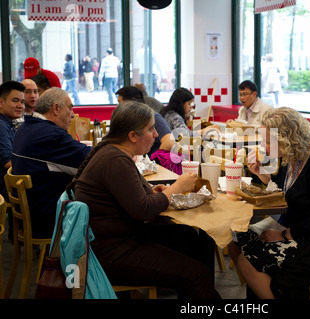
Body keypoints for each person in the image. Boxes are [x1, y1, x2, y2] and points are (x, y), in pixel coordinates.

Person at [66, 100, 221, 299]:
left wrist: (153, 193)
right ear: (132, 136)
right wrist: (175, 188)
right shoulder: (115, 160)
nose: (156, 135)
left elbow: (134, 199)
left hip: (117, 239)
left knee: (190, 238)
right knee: (196, 275)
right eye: (151, 129)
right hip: (110, 253)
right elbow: (144, 210)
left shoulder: (114, 153)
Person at [227, 107, 310, 299]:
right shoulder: (293, 156)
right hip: (295, 226)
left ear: (286, 138)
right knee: (235, 241)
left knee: (248, 260)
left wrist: (283, 234)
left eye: (267, 141)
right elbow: (286, 192)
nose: (263, 146)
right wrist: (261, 174)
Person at [12, 87, 91, 239]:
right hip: (48, 219)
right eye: (70, 108)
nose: (73, 114)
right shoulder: (50, 135)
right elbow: (92, 159)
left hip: (33, 212)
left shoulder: (26, 127)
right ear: (56, 108)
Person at [115, 85, 175, 157]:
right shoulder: (129, 120)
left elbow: (169, 142)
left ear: (129, 103)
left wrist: (154, 159)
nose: (117, 106)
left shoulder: (153, 118)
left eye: (119, 102)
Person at [0, 81, 25, 199]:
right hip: (5, 190)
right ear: (1, 102)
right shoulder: (1, 125)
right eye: (15, 101)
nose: (20, 106)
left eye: (22, 102)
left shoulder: (8, 124)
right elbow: (8, 163)